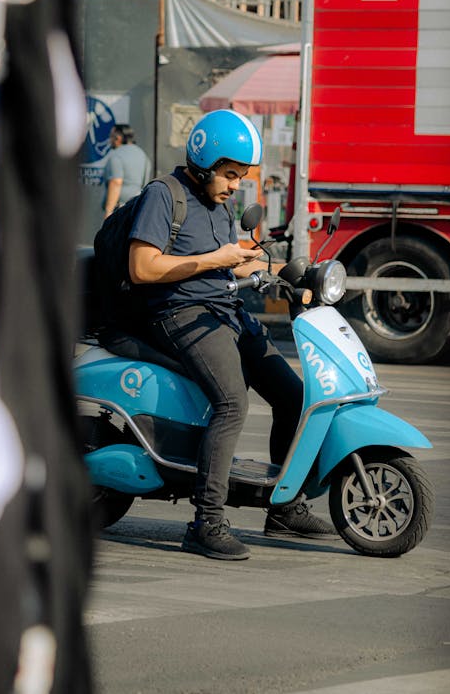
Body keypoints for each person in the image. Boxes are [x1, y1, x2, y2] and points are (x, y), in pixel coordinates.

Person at [127, 109, 337, 561]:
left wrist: (294, 274)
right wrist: (214, 260)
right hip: (181, 314)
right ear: (203, 162)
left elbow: (236, 260)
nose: (234, 185)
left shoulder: (219, 206)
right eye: (229, 174)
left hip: (226, 312)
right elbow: (142, 267)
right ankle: (206, 522)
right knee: (232, 402)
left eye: (239, 177)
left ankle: (285, 506)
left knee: (293, 395)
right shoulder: (165, 196)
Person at [102, 123, 152, 218]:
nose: (110, 140)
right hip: (138, 209)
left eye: (112, 136)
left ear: (119, 138)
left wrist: (109, 212)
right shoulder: (143, 155)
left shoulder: (116, 155)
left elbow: (116, 182)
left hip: (119, 211)